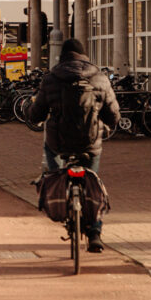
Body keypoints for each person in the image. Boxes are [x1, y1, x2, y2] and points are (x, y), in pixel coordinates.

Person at [27, 38, 120, 253]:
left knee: (53, 167)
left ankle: (59, 192)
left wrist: (31, 114)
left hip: (58, 142)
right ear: (84, 55)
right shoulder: (99, 77)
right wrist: (104, 123)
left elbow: (37, 113)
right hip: (90, 142)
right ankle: (95, 232)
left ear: (63, 56)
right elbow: (114, 115)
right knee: (92, 181)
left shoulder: (52, 78)